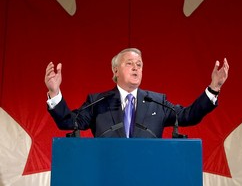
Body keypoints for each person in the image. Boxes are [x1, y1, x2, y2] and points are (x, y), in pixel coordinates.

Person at [45, 48, 229, 138]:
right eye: (129, 64)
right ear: (115, 71)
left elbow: (189, 116)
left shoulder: (157, 101)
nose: (136, 68)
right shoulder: (98, 102)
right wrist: (55, 92)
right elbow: (69, 122)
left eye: (139, 65)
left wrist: (213, 88)